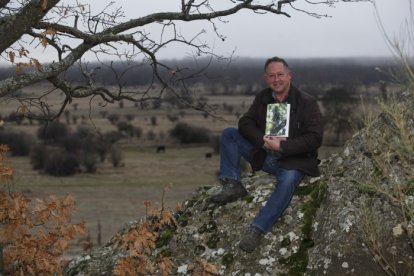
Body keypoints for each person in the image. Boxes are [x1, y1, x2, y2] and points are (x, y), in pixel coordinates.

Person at [210, 56, 324, 253]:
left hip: (293, 161)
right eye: (272, 76)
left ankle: (257, 229)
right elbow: (245, 123)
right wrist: (262, 140)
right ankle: (232, 184)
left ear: (289, 76)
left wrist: (283, 146)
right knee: (229, 134)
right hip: (265, 156)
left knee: (287, 182)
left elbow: (314, 139)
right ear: (266, 78)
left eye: (280, 75)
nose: (276, 79)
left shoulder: (307, 102)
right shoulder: (263, 98)